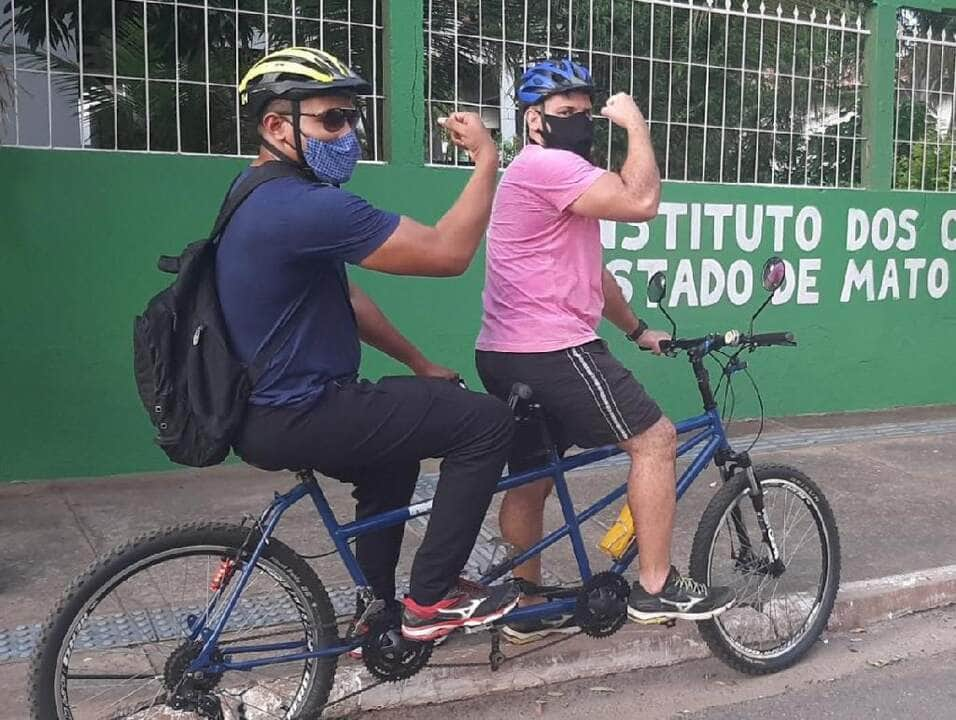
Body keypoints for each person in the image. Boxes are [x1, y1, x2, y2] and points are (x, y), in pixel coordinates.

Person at [218, 47, 519, 642]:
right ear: (277, 126)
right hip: (300, 409)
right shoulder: (305, 207)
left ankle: (375, 609)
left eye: (353, 118)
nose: (349, 133)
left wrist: (419, 363)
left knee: (393, 455)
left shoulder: (254, 192)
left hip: (268, 411)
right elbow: (446, 253)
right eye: (332, 119)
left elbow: (348, 301)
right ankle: (431, 599)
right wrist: (488, 159)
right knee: (485, 424)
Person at [474, 59, 734, 645]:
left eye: (587, 114)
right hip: (550, 348)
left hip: (504, 350)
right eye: (567, 114)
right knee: (656, 439)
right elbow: (642, 201)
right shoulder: (547, 165)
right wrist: (637, 128)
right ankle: (656, 586)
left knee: (533, 478)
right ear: (533, 121)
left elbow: (595, 275)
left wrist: (638, 329)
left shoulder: (549, 177)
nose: (583, 124)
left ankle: (524, 606)